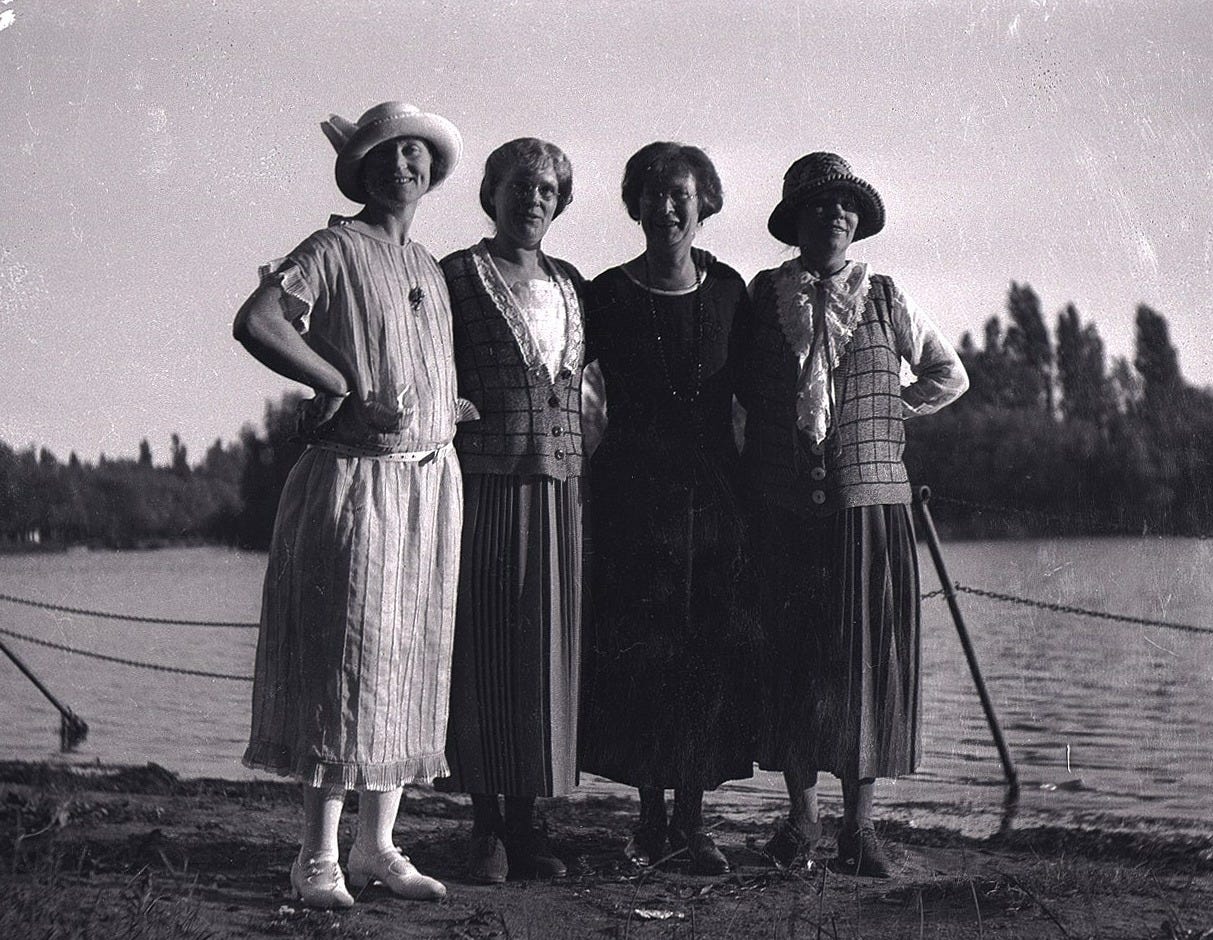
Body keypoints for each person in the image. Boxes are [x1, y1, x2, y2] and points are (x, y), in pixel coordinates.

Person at [235, 101, 471, 908]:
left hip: (428, 486)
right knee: (345, 663)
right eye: (386, 154)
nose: (402, 166)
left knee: (406, 662)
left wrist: (447, 407)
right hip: (354, 488)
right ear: (363, 168)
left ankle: (376, 848)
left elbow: (417, 365)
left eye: (415, 154)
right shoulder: (335, 246)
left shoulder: (431, 267)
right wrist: (334, 383)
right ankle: (316, 861)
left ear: (431, 172)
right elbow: (259, 320)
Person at [739, 152, 968, 876]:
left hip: (868, 510)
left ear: (856, 222)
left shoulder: (887, 295)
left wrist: (891, 413)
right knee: (792, 660)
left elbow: (948, 372)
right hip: (783, 508)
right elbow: (742, 388)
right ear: (795, 221)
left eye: (843, 206)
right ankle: (800, 824)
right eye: (817, 205)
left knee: (862, 665)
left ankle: (859, 830)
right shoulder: (764, 296)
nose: (831, 215)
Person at [579, 142, 757, 876]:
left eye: (680, 193)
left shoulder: (731, 292)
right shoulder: (607, 294)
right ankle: (648, 822)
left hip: (716, 498)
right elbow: (558, 378)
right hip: (632, 497)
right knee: (644, 656)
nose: (667, 207)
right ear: (634, 205)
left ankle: (694, 821)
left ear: (704, 202)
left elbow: (763, 392)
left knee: (704, 656)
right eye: (652, 194)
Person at [438, 138, 586, 884]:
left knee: (540, 658)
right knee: (487, 651)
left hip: (558, 489)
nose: (535, 200)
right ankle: (485, 826)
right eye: (521, 186)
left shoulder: (570, 283)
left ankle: (530, 823)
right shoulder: (456, 276)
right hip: (487, 482)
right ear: (490, 193)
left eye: (549, 191)